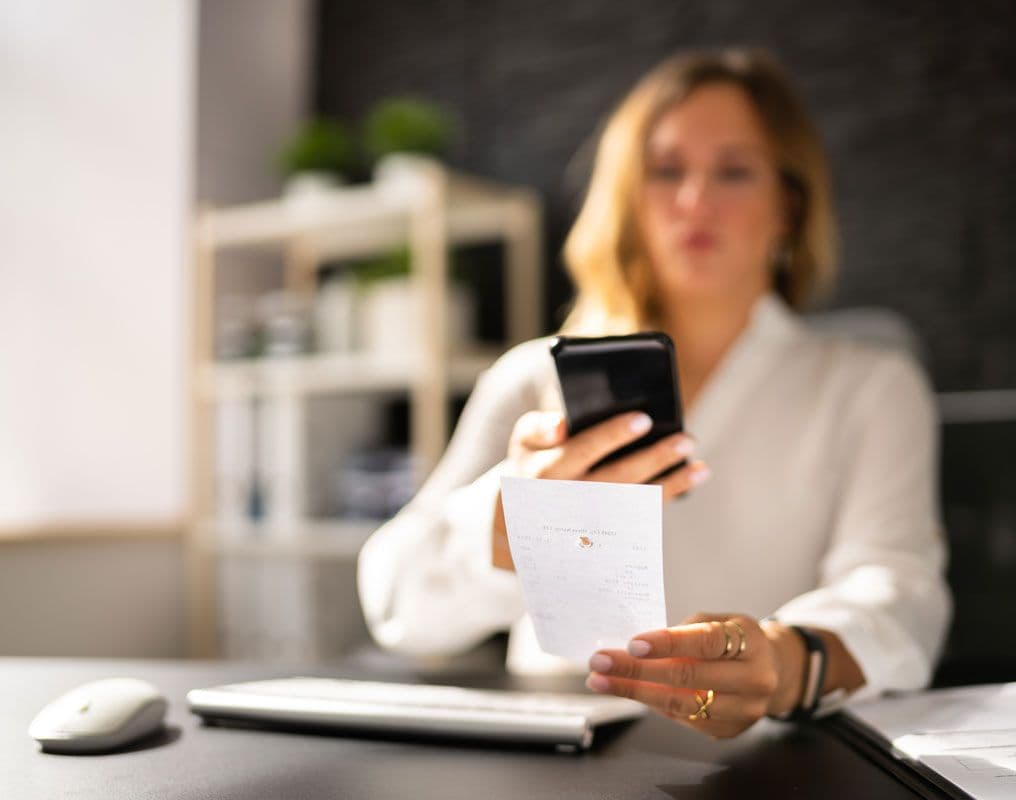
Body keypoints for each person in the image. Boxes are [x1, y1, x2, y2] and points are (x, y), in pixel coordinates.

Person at [358, 48, 951, 739]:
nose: (696, 200)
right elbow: (396, 604)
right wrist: (507, 522)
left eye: (733, 171)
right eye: (666, 171)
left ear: (788, 204)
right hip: (553, 755)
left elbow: (901, 596)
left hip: (772, 762)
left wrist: (786, 663)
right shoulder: (532, 380)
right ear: (629, 199)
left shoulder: (870, 386)